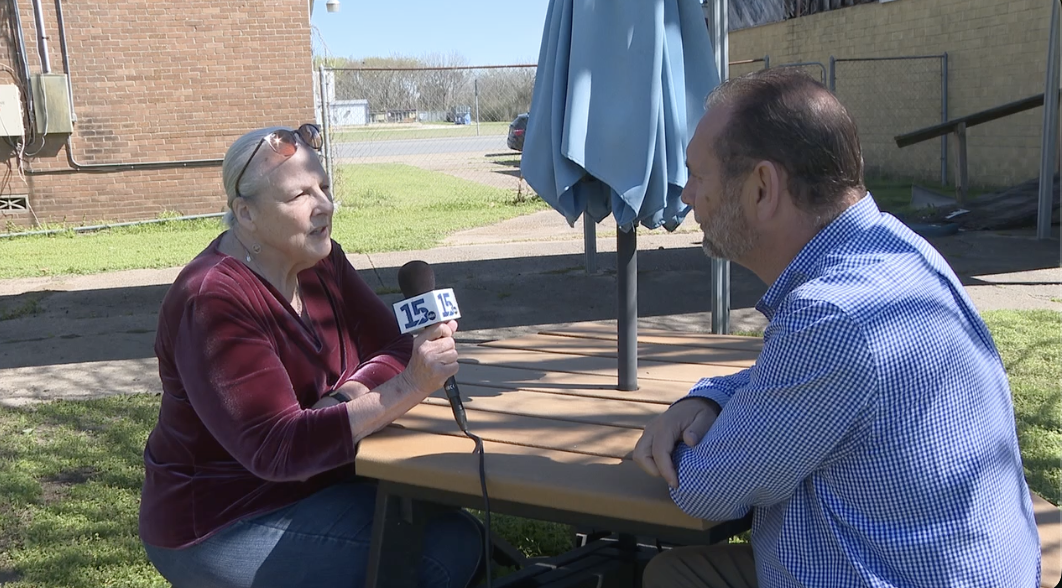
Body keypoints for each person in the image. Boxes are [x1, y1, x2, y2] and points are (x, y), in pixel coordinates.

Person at [634, 69, 1041, 587]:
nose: (689, 196)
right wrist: (708, 398)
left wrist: (675, 435)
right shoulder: (899, 253)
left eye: (697, 175)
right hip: (961, 568)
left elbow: (704, 489)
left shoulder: (831, 315)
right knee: (675, 571)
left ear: (762, 187)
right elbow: (790, 383)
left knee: (671, 577)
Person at [138, 123, 483, 588]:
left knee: (449, 520)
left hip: (323, 481)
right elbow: (278, 449)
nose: (324, 205)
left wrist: (347, 396)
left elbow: (398, 344)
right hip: (225, 522)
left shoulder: (320, 260)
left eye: (324, 187)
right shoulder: (213, 300)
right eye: (300, 195)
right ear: (246, 213)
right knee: (445, 551)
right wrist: (408, 386)